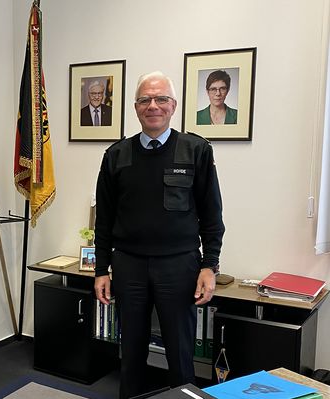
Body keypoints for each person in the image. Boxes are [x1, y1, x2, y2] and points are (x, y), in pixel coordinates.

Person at [93, 71, 224, 398]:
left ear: (173, 105)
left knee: (181, 352)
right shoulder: (116, 155)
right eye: (145, 100)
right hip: (129, 266)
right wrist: (100, 270)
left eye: (161, 99)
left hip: (178, 267)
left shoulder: (196, 150)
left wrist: (210, 266)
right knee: (132, 351)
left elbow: (212, 215)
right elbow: (104, 220)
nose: (153, 106)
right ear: (136, 107)